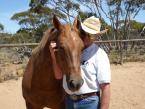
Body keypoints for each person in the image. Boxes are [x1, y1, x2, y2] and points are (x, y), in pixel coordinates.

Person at [50, 16, 111, 109]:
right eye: (83, 32)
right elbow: (58, 76)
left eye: (90, 35)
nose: (85, 36)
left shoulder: (100, 55)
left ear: (96, 37)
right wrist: (53, 55)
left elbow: (106, 87)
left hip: (89, 103)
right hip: (69, 101)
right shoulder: (70, 50)